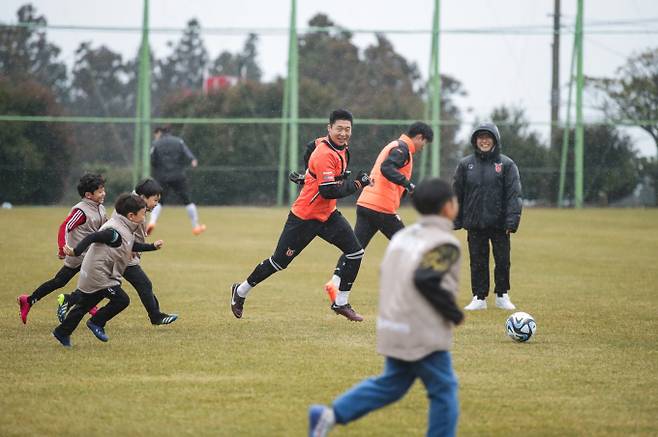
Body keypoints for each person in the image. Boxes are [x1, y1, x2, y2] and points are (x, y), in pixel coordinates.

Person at [308, 178, 464, 437]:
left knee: (392, 384)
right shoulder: (444, 243)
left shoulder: (403, 237)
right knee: (444, 389)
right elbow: (425, 278)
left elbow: (388, 274)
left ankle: (329, 415)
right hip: (421, 331)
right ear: (448, 207)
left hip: (392, 325)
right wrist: (452, 312)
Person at [230, 109, 372, 322]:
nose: (343, 133)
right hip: (304, 217)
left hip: (328, 215)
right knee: (279, 262)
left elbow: (309, 149)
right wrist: (358, 184)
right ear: (329, 128)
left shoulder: (338, 148)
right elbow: (328, 191)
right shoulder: (325, 153)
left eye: (347, 129)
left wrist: (306, 175)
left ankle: (341, 302)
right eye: (339, 129)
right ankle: (240, 291)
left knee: (355, 252)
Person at [323, 121, 434, 302]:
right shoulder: (402, 148)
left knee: (355, 248)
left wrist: (407, 190)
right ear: (420, 137)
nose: (423, 147)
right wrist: (409, 184)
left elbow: (388, 176)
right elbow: (387, 169)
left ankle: (335, 281)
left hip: (366, 203)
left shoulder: (394, 145)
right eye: (424, 143)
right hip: (381, 207)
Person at [57, 179, 178, 326]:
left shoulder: (136, 206)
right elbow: (119, 234)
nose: (156, 204)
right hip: (120, 255)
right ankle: (155, 316)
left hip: (120, 254)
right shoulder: (132, 209)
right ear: (143, 198)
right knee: (142, 285)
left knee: (98, 293)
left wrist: (146, 245)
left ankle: (70, 302)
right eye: (155, 200)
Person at [52, 193, 164, 347]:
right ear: (131, 216)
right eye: (143, 213)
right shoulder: (114, 231)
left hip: (100, 272)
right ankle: (96, 322)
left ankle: (62, 332)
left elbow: (130, 245)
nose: (145, 217)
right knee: (121, 300)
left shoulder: (124, 227)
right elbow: (93, 237)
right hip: (99, 274)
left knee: (85, 304)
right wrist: (76, 251)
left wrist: (152, 247)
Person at [17, 173, 107, 324]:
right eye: (100, 191)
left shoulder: (101, 208)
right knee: (103, 280)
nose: (103, 193)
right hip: (78, 254)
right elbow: (65, 227)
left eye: (103, 189)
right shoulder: (81, 211)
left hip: (89, 254)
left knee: (59, 281)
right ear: (88, 195)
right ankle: (78, 302)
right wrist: (62, 248)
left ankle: (29, 300)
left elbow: (105, 228)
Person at [452, 122, 522, 311]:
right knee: (477, 261)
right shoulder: (466, 165)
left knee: (502, 261)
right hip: (475, 223)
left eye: (488, 137)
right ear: (475, 141)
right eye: (480, 138)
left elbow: (513, 195)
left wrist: (511, 221)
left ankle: (502, 295)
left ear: (495, 140)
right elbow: (457, 194)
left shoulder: (506, 164)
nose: (484, 141)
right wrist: (455, 219)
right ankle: (479, 297)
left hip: (500, 224)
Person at [148, 125, 206, 236]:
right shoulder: (178, 141)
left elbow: (152, 160)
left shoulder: (156, 144)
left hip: (162, 177)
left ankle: (152, 222)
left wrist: (159, 169)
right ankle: (195, 226)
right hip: (178, 175)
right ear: (170, 132)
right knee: (187, 200)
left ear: (160, 132)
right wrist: (192, 160)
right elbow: (187, 153)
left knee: (159, 201)